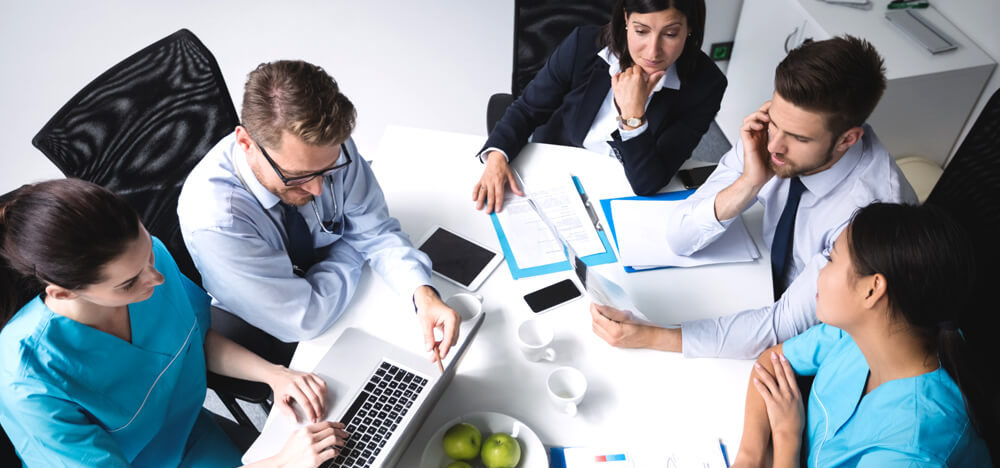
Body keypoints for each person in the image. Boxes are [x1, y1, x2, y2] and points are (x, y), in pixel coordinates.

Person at [0, 179, 345, 468]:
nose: (156, 277)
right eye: (128, 283)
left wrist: (274, 374)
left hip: (185, 437)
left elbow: (192, 337)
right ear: (62, 294)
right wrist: (279, 467)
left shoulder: (149, 263)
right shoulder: (25, 376)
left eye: (148, 251)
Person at [590, 36, 918, 359]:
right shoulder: (773, 134)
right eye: (775, 122)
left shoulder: (870, 214)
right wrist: (749, 181)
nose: (775, 146)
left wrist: (652, 336)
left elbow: (783, 325)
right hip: (757, 280)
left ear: (848, 139)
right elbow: (680, 236)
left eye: (799, 138)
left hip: (829, 336)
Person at [708, 203, 999, 468]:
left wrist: (786, 436)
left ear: (871, 290)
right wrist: (749, 459)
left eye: (831, 259)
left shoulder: (916, 445)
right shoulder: (862, 329)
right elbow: (769, 362)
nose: (820, 271)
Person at [178, 60, 459, 365]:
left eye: (327, 171)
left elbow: (376, 231)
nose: (317, 190)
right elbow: (304, 319)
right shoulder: (216, 222)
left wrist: (422, 293)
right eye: (297, 175)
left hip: (339, 292)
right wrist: (352, 243)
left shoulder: (326, 147)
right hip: (272, 322)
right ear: (246, 143)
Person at [473, 0, 727, 211]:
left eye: (670, 34)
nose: (653, 51)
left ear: (689, 28)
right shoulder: (583, 45)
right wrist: (496, 156)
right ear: (626, 18)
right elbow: (528, 108)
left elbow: (647, 183)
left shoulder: (706, 85)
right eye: (641, 31)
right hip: (561, 169)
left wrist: (633, 116)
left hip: (625, 189)